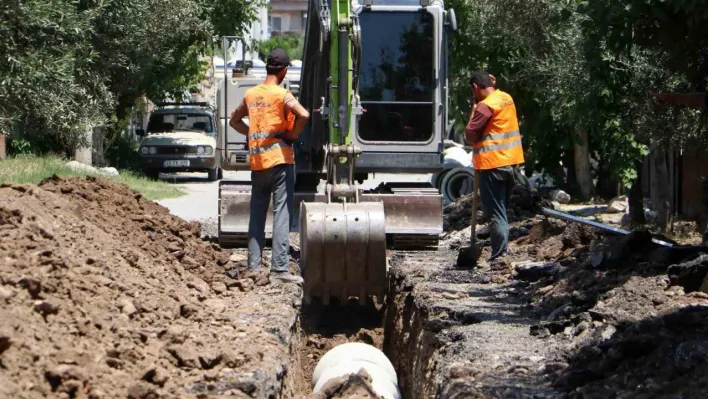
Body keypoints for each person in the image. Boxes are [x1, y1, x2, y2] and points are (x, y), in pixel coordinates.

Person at [229, 48, 310, 284]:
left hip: (258, 163)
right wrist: (292, 135)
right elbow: (303, 114)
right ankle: (280, 270)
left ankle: (253, 267)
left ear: (267, 68)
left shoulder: (251, 95)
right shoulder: (282, 94)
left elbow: (235, 121)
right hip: (280, 162)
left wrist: (252, 132)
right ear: (284, 70)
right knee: (282, 212)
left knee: (257, 214)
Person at [465, 71, 525, 262]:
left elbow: (470, 135)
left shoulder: (485, 107)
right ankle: (502, 250)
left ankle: (499, 256)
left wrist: (473, 112)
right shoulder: (506, 98)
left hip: (492, 166)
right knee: (502, 210)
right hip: (510, 164)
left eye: (473, 91)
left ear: (475, 87)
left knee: (496, 213)